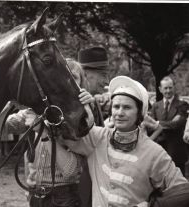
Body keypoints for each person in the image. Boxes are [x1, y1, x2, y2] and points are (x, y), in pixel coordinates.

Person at [61, 76, 188, 207]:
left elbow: (183, 192)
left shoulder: (154, 153)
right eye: (116, 106)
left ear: (139, 113)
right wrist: (78, 102)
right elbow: (63, 131)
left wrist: (154, 205)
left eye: (127, 107)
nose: (119, 113)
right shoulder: (97, 137)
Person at [4, 59, 91, 207]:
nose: (67, 81)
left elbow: (71, 170)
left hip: (64, 197)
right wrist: (10, 97)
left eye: (74, 77)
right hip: (35, 194)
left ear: (82, 84)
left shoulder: (82, 114)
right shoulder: (37, 109)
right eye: (61, 75)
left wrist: (43, 132)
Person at [150, 76, 189, 174]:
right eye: (165, 88)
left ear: (174, 88)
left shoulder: (183, 105)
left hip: (176, 152)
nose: (168, 91)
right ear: (160, 89)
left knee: (179, 184)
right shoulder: (155, 106)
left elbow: (177, 125)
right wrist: (169, 123)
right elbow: (150, 126)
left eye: (170, 87)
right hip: (159, 151)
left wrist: (157, 123)